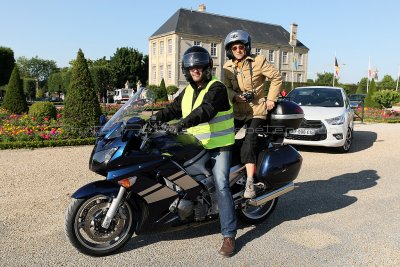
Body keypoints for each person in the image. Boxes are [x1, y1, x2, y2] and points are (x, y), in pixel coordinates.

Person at [153, 46, 238, 257]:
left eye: (199, 66)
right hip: (196, 144)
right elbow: (172, 108)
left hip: (219, 146)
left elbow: (206, 110)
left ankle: (229, 236)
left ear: (207, 68)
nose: (195, 71)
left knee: (222, 185)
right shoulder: (188, 90)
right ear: (186, 70)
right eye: (191, 68)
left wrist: (182, 124)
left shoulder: (217, 88)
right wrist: (154, 119)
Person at [223, 30, 282, 199]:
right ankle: (231, 176)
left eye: (241, 47)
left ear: (246, 47)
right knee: (226, 142)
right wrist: (235, 96)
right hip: (237, 112)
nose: (238, 50)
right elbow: (225, 88)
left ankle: (250, 182)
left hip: (256, 111)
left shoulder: (258, 61)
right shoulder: (227, 67)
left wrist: (271, 98)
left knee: (248, 144)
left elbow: (276, 77)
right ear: (230, 50)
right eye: (234, 48)